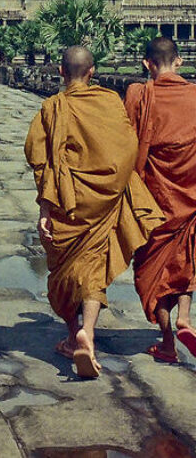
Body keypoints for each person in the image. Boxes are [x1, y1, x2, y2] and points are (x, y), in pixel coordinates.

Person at [25, 45, 163, 378]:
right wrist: (114, 187)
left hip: (66, 203)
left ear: (60, 72)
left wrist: (45, 207)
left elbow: (41, 161)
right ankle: (87, 331)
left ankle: (75, 334)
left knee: (62, 273)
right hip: (102, 202)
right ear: (92, 72)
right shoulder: (109, 101)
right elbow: (128, 148)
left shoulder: (51, 108)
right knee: (93, 267)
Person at [125, 36, 196, 363]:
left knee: (153, 272)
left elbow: (126, 144)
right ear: (179, 61)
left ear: (146, 64)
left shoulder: (140, 95)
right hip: (191, 196)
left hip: (154, 202)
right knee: (186, 261)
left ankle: (168, 343)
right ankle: (185, 317)